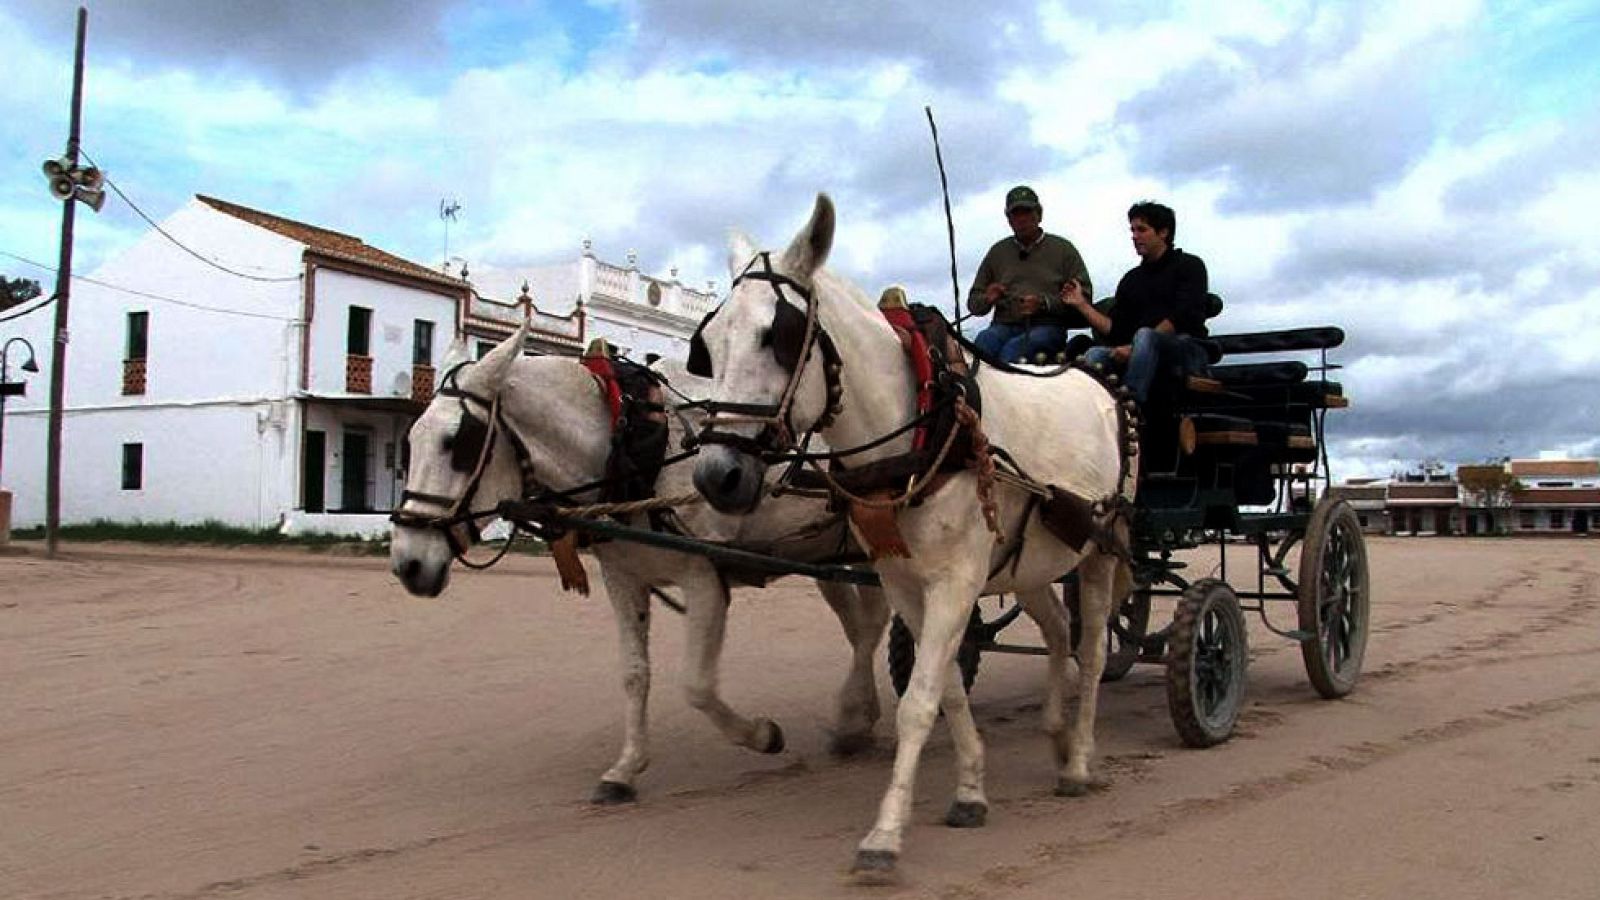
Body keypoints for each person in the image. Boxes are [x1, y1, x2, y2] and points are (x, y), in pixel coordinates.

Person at [1065, 201, 1210, 404]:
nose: (1134, 236)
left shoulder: (1190, 266)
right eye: (1132, 230)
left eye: (1142, 230)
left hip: (1187, 349)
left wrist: (1136, 348)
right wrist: (1081, 304)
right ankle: (1091, 413)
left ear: (1163, 233)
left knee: (1146, 336)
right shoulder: (1131, 280)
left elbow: (1183, 315)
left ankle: (1131, 406)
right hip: (1140, 350)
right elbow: (1116, 329)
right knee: (1094, 353)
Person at [966, 185, 1093, 363]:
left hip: (1047, 327)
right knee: (982, 344)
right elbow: (973, 305)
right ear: (1008, 219)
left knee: (1012, 352)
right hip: (1003, 326)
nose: (1022, 219)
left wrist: (1044, 304)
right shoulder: (997, 252)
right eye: (1015, 214)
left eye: (1027, 212)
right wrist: (988, 298)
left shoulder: (1063, 250)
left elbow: (1085, 299)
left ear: (1039, 214)